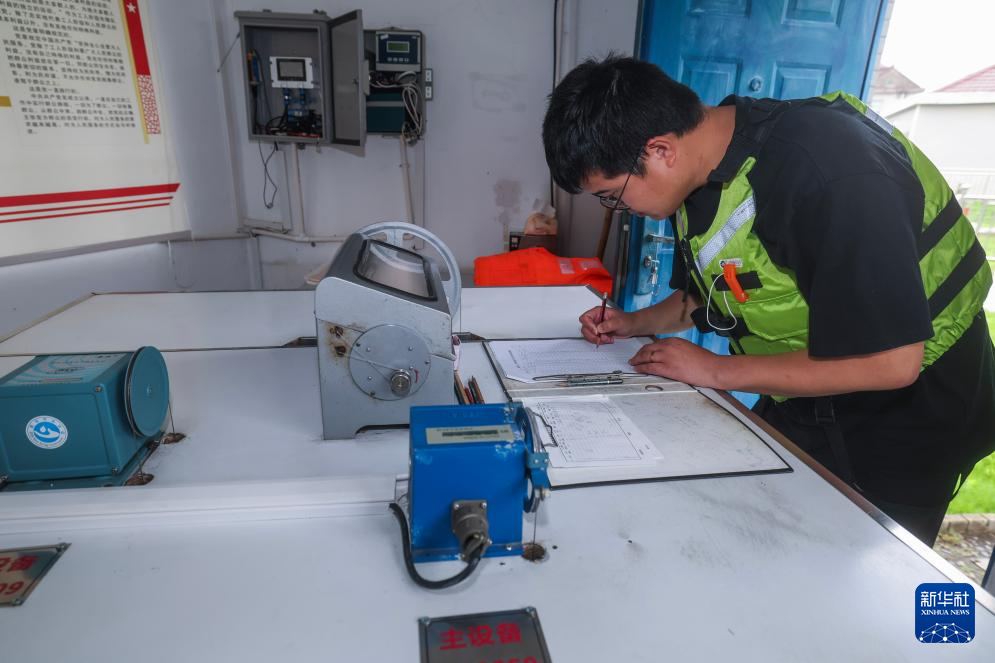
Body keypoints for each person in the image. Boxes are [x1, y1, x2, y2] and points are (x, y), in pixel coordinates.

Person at [542, 55, 995, 546]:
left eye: (613, 195)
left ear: (660, 150)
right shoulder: (707, 166)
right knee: (752, 527)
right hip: (807, 391)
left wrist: (715, 370)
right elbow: (713, 293)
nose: (620, 209)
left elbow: (891, 361)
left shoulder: (829, 169)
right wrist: (633, 323)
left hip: (909, 415)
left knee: (859, 567)